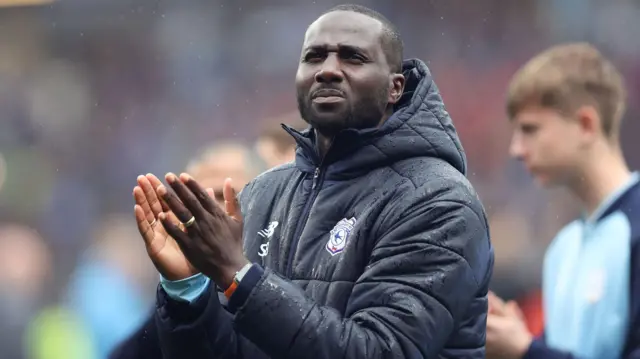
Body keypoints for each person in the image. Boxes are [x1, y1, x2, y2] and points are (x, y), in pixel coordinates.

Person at [112, 4, 493, 359]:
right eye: (314, 56)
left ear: (395, 87)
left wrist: (237, 274)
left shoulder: (439, 201)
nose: (327, 69)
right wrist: (188, 289)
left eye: (352, 57)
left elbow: (380, 349)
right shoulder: (264, 193)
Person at [485, 43, 640, 359]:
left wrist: (525, 351)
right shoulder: (563, 248)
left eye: (530, 129)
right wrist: (521, 342)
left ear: (586, 124)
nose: (516, 149)